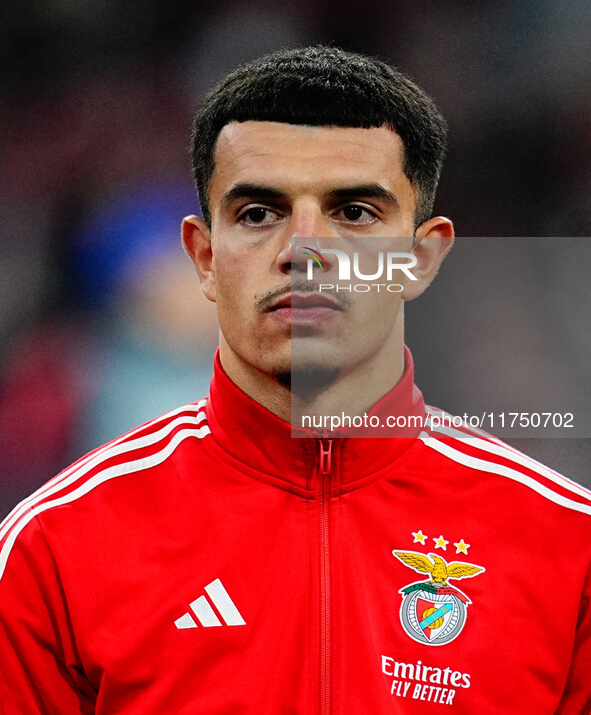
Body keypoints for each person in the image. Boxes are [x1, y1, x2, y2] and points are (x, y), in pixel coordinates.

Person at [0, 46, 589, 714]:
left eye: (354, 214)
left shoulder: (568, 547)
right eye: (258, 214)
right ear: (202, 256)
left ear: (421, 260)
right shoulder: (55, 547)